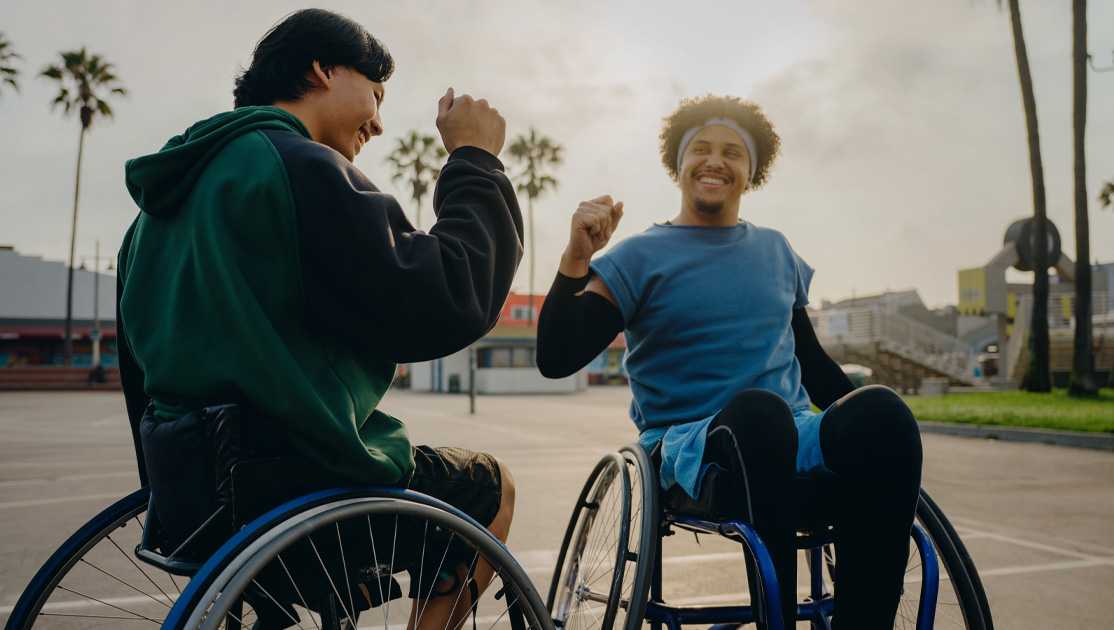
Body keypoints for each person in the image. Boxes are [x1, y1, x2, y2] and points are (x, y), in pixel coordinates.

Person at [117, 8, 522, 627]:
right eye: (376, 94)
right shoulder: (294, 166)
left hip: (194, 501)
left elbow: (138, 375)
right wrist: (474, 161)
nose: (379, 122)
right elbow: (447, 296)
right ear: (321, 70)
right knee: (491, 486)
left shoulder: (155, 211)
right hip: (298, 490)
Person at [536, 94, 923, 630]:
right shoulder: (639, 256)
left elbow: (813, 365)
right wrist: (577, 259)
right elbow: (557, 358)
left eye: (732, 152)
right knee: (761, 414)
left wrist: (880, 439)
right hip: (689, 444)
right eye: (700, 148)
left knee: (883, 412)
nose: (715, 161)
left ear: (751, 171)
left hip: (792, 433)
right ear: (679, 163)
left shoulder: (777, 251)